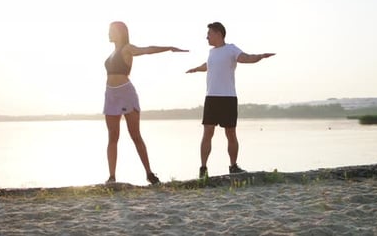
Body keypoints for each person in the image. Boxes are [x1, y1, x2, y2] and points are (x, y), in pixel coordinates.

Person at [186, 22, 275, 178]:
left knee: (231, 134)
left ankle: (233, 166)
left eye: (209, 33)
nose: (206, 37)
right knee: (207, 133)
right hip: (211, 98)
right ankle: (203, 169)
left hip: (228, 98)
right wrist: (196, 69)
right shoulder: (211, 52)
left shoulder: (231, 49)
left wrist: (259, 56)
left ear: (218, 34)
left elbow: (246, 58)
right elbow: (208, 65)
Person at [104, 21, 188, 185]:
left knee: (135, 135)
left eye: (111, 31)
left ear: (120, 33)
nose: (108, 33)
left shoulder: (127, 49)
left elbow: (148, 49)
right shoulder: (112, 52)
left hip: (125, 94)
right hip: (110, 96)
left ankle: (149, 173)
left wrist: (169, 47)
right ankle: (112, 177)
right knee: (112, 137)